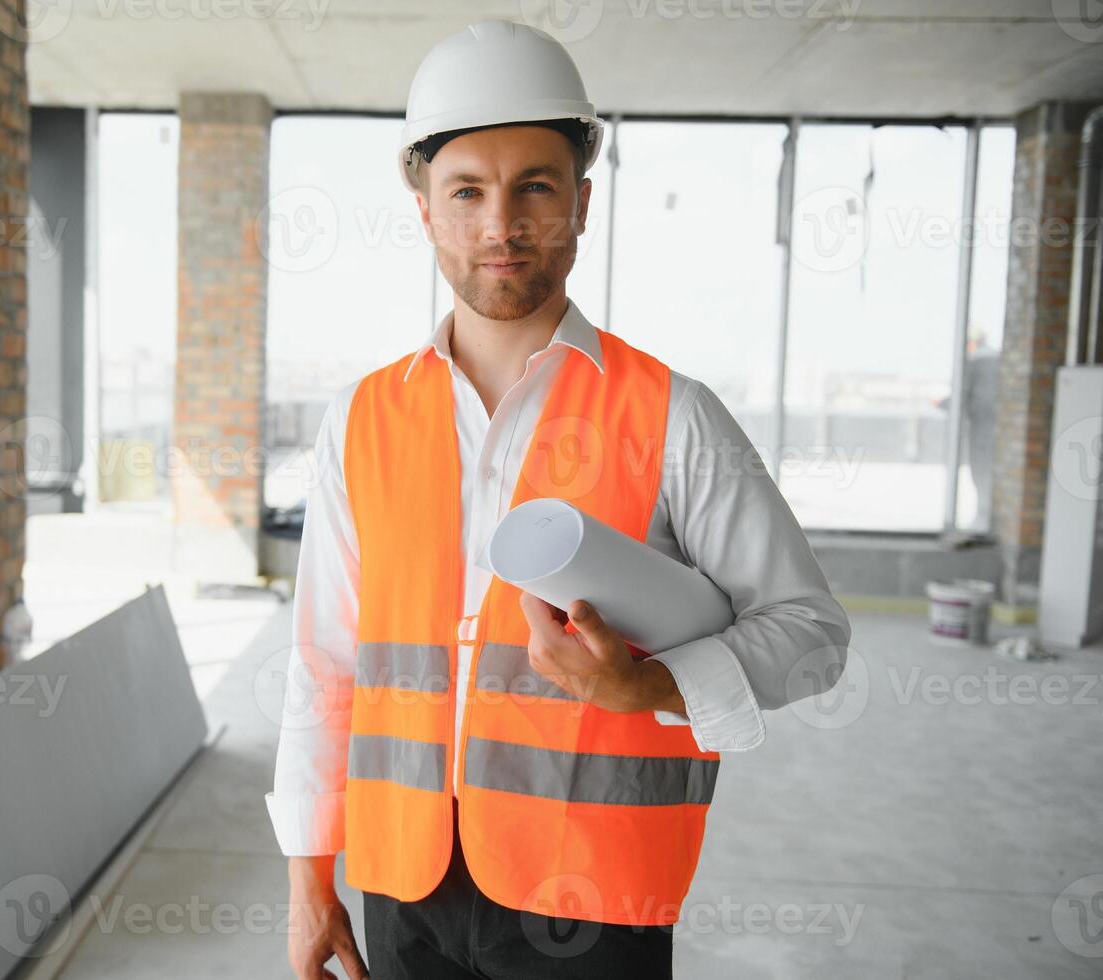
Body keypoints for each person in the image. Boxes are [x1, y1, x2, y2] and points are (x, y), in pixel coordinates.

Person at [265, 19, 852, 979]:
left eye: (534, 187)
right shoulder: (361, 418)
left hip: (594, 895)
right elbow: (324, 665)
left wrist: (654, 686)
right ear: (423, 210)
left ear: (579, 204)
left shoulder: (672, 414)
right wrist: (306, 880)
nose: (500, 225)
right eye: (466, 192)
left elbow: (811, 633)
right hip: (402, 884)